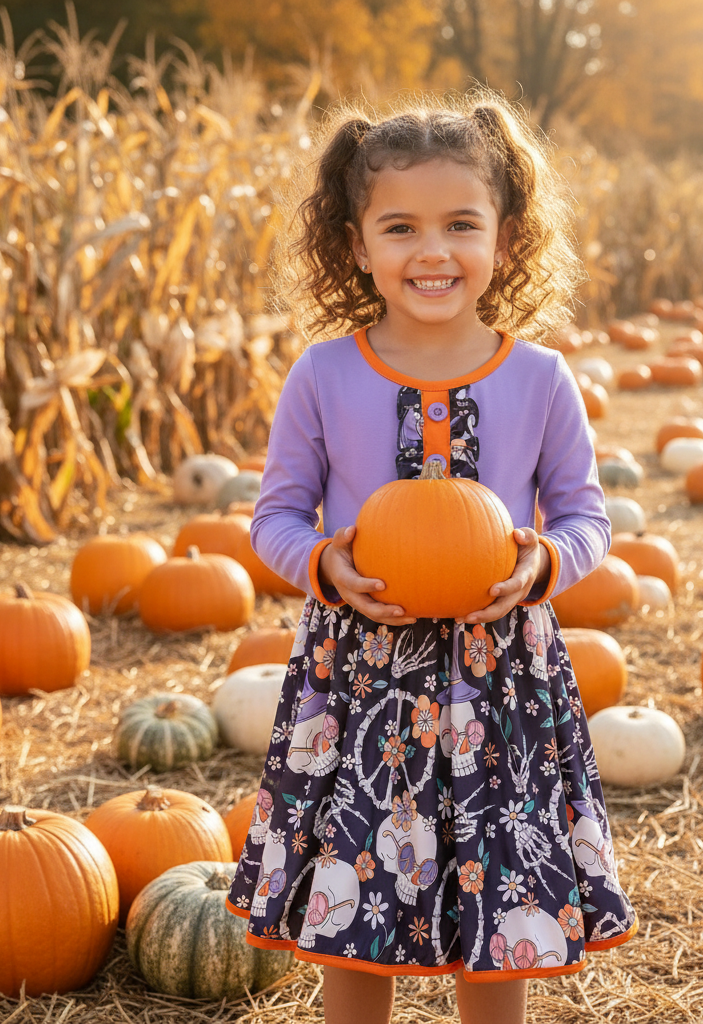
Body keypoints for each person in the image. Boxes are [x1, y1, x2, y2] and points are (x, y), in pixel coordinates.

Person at [225, 91, 637, 1024]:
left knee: (498, 914)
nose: (433, 251)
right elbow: (276, 518)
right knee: (352, 907)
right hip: (360, 683)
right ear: (358, 243)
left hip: (500, 683)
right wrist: (324, 564)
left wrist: (543, 564)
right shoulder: (326, 373)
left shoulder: (539, 377)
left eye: (461, 224)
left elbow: (586, 518)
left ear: (507, 236)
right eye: (400, 227)